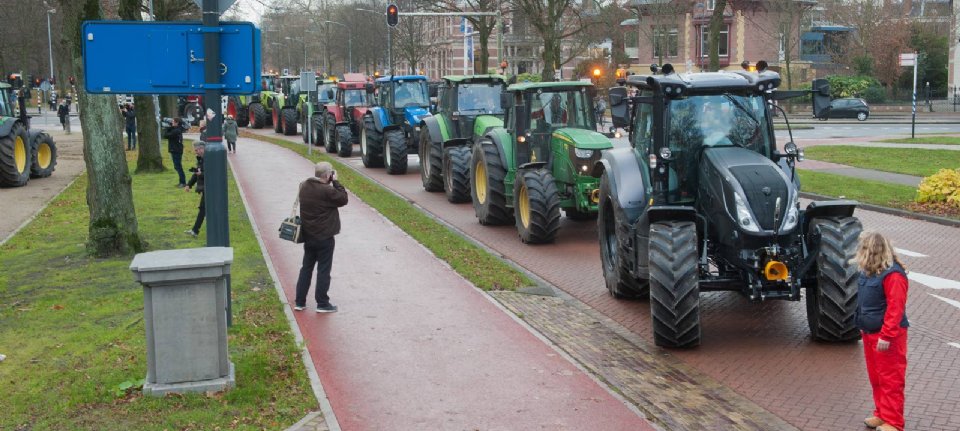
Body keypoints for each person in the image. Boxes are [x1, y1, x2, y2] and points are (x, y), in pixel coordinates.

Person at [855, 232, 909, 431]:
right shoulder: (871, 272)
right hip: (870, 333)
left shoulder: (893, 275)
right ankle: (882, 414)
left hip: (887, 337)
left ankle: (894, 422)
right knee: (877, 378)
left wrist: (886, 335)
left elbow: (895, 308)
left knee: (891, 379)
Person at [295, 161, 348, 313]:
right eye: (331, 173)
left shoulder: (304, 186)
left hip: (309, 236)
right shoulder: (327, 191)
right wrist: (336, 181)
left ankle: (300, 301)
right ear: (328, 175)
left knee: (306, 268)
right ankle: (322, 303)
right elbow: (343, 199)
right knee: (323, 270)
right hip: (325, 237)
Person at [184, 142, 205, 237]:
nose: (195, 152)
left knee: (203, 209)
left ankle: (195, 230)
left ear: (202, 149)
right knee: (203, 209)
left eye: (196, 150)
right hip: (206, 188)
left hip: (210, 188)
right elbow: (196, 173)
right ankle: (195, 230)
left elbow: (213, 174)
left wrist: (201, 174)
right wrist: (189, 184)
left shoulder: (209, 159)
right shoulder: (201, 159)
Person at [164, 117, 187, 187]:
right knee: (177, 166)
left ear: (177, 123)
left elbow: (166, 135)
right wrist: (170, 127)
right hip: (176, 149)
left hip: (176, 150)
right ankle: (181, 182)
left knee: (178, 167)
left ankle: (183, 182)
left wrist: (167, 128)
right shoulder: (177, 129)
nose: (172, 123)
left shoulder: (176, 131)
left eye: (173, 122)